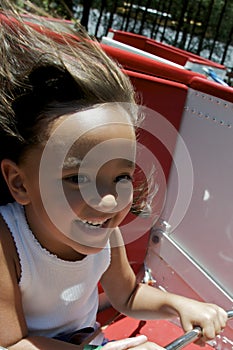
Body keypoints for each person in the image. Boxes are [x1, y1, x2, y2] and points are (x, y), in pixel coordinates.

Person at [0, 1, 227, 349]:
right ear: (19, 183)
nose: (107, 201)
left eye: (121, 177)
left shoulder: (106, 234)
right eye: (77, 179)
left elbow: (127, 295)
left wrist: (179, 304)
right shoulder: (8, 243)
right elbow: (13, 344)